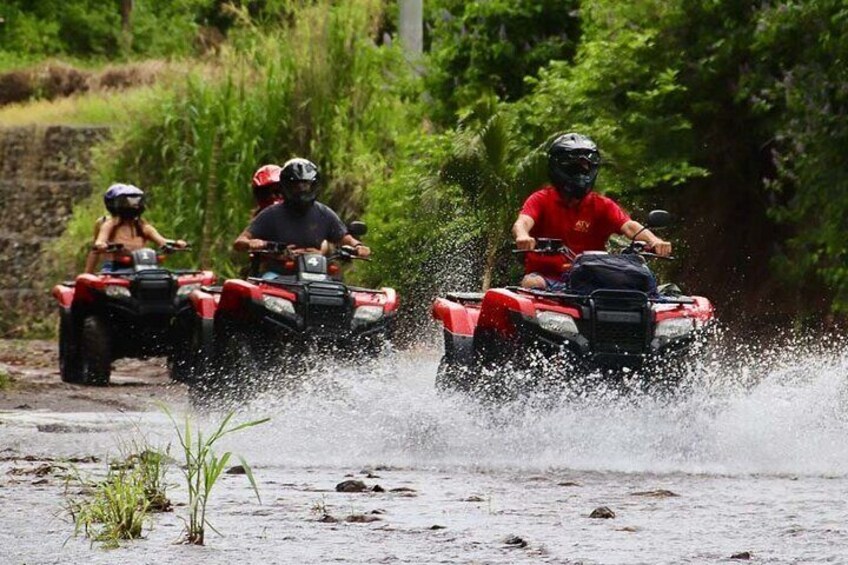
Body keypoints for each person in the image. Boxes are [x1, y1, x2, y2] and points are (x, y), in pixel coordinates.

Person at [512, 132, 672, 290]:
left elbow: (629, 227)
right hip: (549, 280)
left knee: (642, 289)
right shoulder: (541, 199)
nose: (581, 174)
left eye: (585, 169)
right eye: (575, 168)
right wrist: (523, 236)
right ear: (558, 169)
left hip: (591, 282)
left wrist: (654, 241)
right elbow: (523, 222)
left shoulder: (601, 205)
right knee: (532, 283)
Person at [233, 158, 370, 276]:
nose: (302, 189)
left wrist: (358, 246)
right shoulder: (271, 214)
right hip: (277, 275)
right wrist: (255, 243)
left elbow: (343, 237)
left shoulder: (324, 213)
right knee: (261, 291)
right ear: (286, 186)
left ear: (314, 185)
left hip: (317, 274)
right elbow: (240, 241)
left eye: (306, 184)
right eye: (296, 185)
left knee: (341, 292)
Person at [84, 184, 187, 273]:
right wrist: (102, 245)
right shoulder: (109, 224)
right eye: (127, 202)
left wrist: (175, 243)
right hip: (115, 268)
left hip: (143, 266)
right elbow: (100, 241)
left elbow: (162, 240)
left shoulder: (142, 226)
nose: (133, 206)